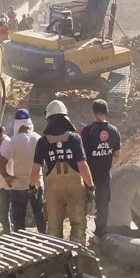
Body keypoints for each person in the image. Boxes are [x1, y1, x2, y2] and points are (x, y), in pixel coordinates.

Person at [30, 100, 95, 245]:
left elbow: (36, 168)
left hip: (54, 190)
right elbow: (82, 165)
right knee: (78, 225)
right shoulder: (74, 138)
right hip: (75, 189)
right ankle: (77, 257)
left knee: (53, 229)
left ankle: (57, 261)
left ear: (48, 118)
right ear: (66, 118)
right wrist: (90, 186)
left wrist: (31, 187)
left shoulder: (43, 142)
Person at [81, 99, 121, 246]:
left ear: (93, 112)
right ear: (107, 112)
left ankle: (80, 235)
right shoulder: (114, 131)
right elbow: (117, 154)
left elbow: (81, 156)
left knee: (83, 205)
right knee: (103, 207)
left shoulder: (87, 131)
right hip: (104, 176)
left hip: (88, 177)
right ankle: (98, 237)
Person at [3, 109, 47, 232]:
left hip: (18, 185)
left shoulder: (14, 141)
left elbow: (2, 161)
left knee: (19, 220)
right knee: (40, 215)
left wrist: (6, 176)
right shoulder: (39, 139)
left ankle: (19, 243)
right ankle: (44, 241)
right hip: (37, 184)